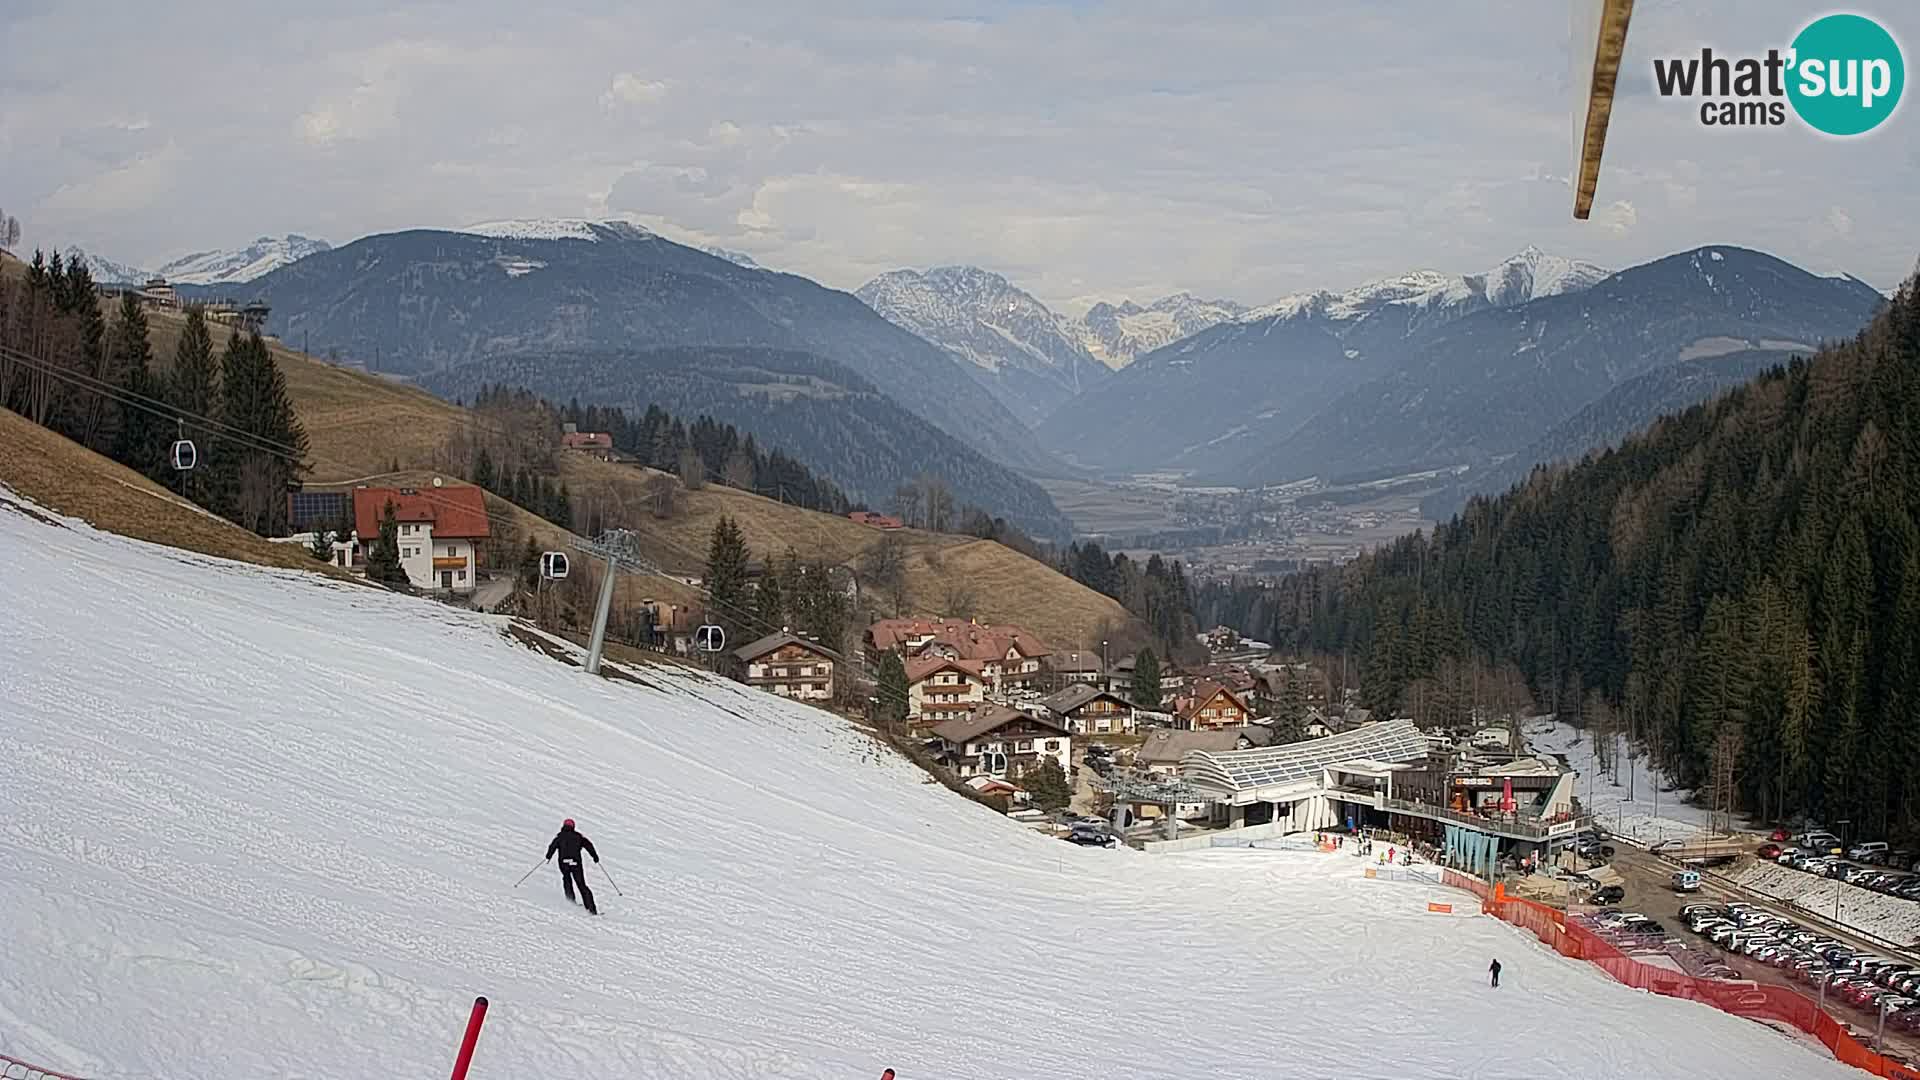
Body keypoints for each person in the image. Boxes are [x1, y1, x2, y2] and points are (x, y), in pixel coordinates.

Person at [545, 818, 600, 915]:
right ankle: (591, 908)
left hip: (563, 862)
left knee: (567, 879)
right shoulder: (578, 837)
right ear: (573, 827)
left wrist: (548, 856)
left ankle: (571, 902)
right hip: (576, 863)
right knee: (581, 884)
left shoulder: (560, 837)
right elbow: (589, 845)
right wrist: (594, 857)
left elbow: (552, 846)